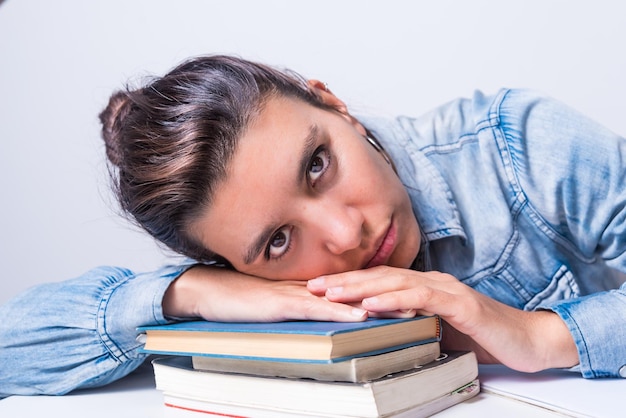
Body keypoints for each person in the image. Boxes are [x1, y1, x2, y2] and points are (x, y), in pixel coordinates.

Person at [1, 55, 625, 398]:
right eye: (276, 241)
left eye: (318, 164)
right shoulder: (234, 289)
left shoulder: (514, 147)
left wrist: (542, 337)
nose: (343, 233)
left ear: (333, 105)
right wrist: (188, 293)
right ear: (234, 266)